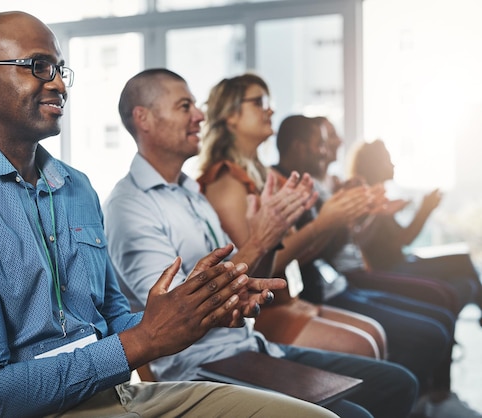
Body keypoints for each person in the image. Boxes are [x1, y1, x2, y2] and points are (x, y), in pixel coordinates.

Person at [0, 12, 342, 418]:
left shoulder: (76, 188)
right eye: (38, 67)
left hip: (117, 398)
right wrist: (141, 342)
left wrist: (196, 313)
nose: (59, 84)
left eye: (60, 69)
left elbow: (113, 319)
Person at [104, 68, 419, 418]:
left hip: (249, 347)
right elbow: (179, 315)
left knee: (398, 383)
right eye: (184, 106)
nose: (199, 115)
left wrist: (268, 241)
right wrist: (262, 238)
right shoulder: (129, 205)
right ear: (143, 119)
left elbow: (246, 274)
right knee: (357, 413)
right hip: (200, 371)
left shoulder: (191, 192)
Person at [273, 114, 481, 418]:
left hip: (339, 282)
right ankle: (428, 397)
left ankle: (430, 396)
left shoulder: (323, 185)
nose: (328, 148)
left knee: (451, 288)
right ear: (300, 146)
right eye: (322, 142)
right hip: (336, 284)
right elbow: (317, 252)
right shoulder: (285, 185)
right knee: (434, 317)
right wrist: (343, 219)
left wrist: (359, 215)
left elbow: (343, 243)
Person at [196, 73, 387, 360]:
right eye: (259, 102)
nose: (270, 109)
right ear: (230, 116)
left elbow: (292, 250)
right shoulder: (226, 182)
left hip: (288, 298)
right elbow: (254, 271)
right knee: (365, 345)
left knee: (375, 335)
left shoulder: (261, 173)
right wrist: (324, 222)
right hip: (260, 314)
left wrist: (337, 218)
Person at [348, 138, 482, 321]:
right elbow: (401, 241)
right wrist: (424, 211)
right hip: (392, 270)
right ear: (375, 164)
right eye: (387, 159)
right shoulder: (366, 198)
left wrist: (425, 210)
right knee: (463, 260)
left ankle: (442, 324)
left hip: (401, 262)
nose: (393, 163)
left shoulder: (379, 197)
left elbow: (402, 239)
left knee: (467, 284)